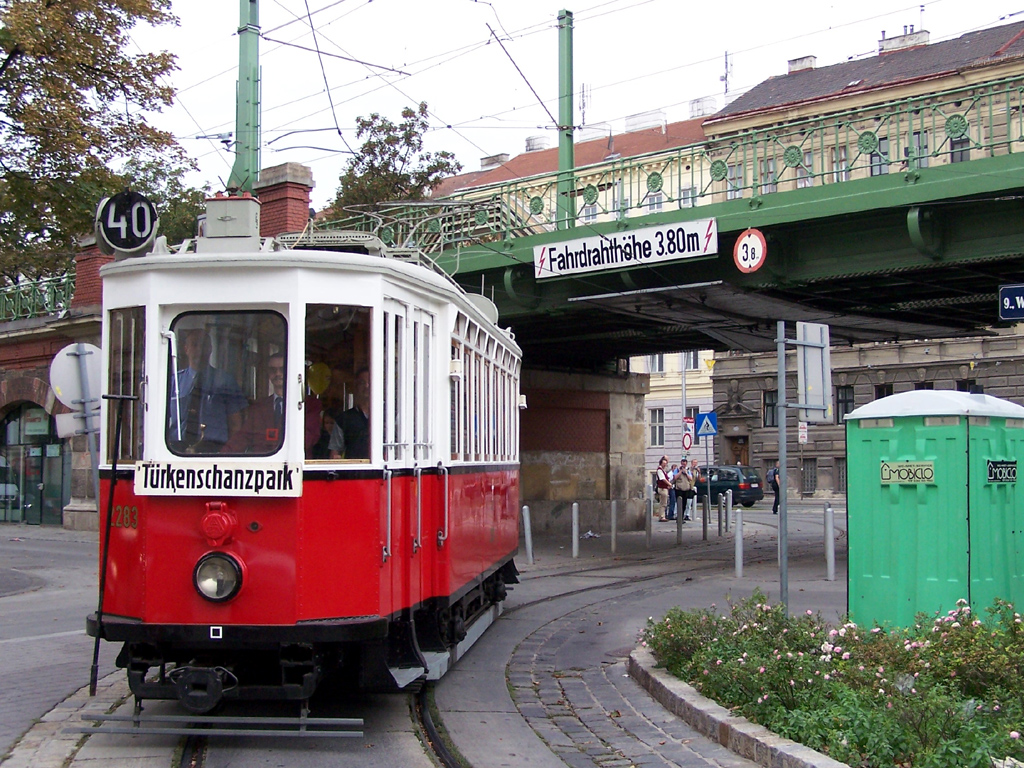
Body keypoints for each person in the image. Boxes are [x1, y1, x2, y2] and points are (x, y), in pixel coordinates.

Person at [167, 328, 246, 453]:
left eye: (204, 345)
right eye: (194, 344)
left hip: (214, 448)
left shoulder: (225, 381)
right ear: (186, 349)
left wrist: (229, 453)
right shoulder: (174, 381)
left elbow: (235, 423)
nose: (199, 349)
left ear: (210, 349)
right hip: (176, 450)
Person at [223, 353, 287, 454]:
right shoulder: (259, 407)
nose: (278, 374)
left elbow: (306, 439)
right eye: (273, 370)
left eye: (282, 369)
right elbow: (242, 437)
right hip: (262, 466)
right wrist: (221, 457)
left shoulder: (308, 405)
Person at [329, 367, 370, 460]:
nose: (367, 386)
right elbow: (334, 453)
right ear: (356, 387)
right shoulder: (344, 419)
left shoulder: (388, 417)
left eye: (370, 382)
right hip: (353, 472)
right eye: (362, 383)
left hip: (383, 471)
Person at [655, 456, 671, 521]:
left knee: (663, 502)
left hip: (664, 487)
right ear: (661, 463)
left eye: (665, 463)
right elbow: (663, 479)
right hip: (662, 488)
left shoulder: (663, 470)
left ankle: (662, 516)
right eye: (663, 464)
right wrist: (669, 484)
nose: (665, 465)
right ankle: (662, 516)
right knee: (663, 503)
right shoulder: (659, 470)